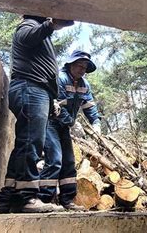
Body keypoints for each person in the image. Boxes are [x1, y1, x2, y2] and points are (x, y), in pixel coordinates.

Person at [0, 15, 74, 213]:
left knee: (25, 142)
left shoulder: (38, 29)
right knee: (31, 142)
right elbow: (27, 36)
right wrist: (52, 24)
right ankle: (25, 198)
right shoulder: (28, 24)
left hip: (36, 90)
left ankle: (7, 198)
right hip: (30, 88)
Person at [38, 50, 101, 211]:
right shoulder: (60, 78)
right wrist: (72, 123)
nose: (81, 69)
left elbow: (89, 107)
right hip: (50, 123)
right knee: (55, 159)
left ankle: (68, 199)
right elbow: (57, 105)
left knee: (69, 162)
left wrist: (96, 124)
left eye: (84, 67)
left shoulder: (84, 85)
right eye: (79, 65)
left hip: (64, 126)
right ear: (70, 64)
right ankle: (44, 200)